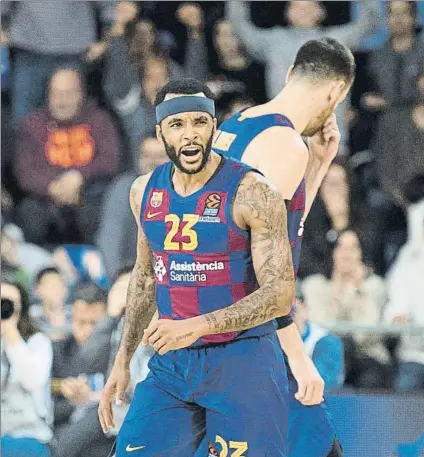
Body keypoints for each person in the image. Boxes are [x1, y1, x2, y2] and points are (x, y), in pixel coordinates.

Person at [99, 78, 296, 456]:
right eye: (177, 125)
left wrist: (197, 326)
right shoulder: (144, 191)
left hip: (243, 362)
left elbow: (280, 295)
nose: (190, 135)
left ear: (214, 127)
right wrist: (122, 359)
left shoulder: (253, 192)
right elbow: (145, 278)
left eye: (199, 122)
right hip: (173, 365)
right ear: (160, 133)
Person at [212, 37, 355, 457]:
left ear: (291, 73)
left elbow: (281, 228)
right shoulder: (285, 145)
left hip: (215, 321)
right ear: (336, 93)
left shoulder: (232, 126)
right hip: (250, 336)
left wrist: (318, 166)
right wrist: (297, 355)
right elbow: (261, 268)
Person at [1, 277, 53, 457]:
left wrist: (11, 335)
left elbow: (33, 380)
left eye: (8, 304)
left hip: (29, 435)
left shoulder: (37, 342)